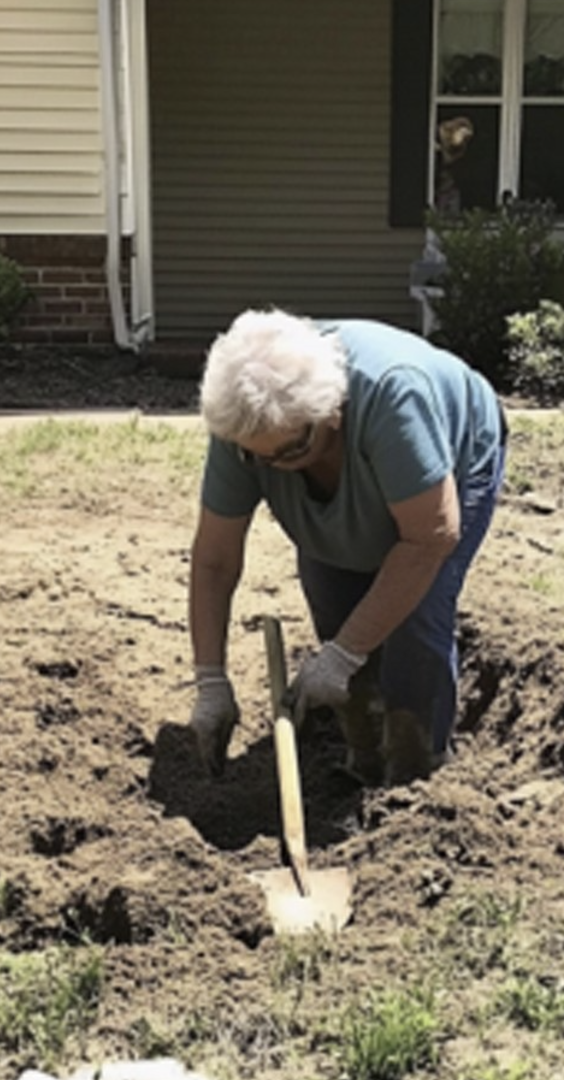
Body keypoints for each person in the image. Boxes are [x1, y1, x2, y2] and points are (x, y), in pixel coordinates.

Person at [187, 308, 507, 786]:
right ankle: (364, 758)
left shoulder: (393, 395)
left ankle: (415, 776)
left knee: (415, 626)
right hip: (348, 465)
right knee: (336, 607)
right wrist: (211, 681)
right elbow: (215, 559)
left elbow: (429, 536)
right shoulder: (246, 427)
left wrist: (344, 654)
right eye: (259, 458)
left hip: (451, 461)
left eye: (290, 452)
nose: (275, 468)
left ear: (332, 412)